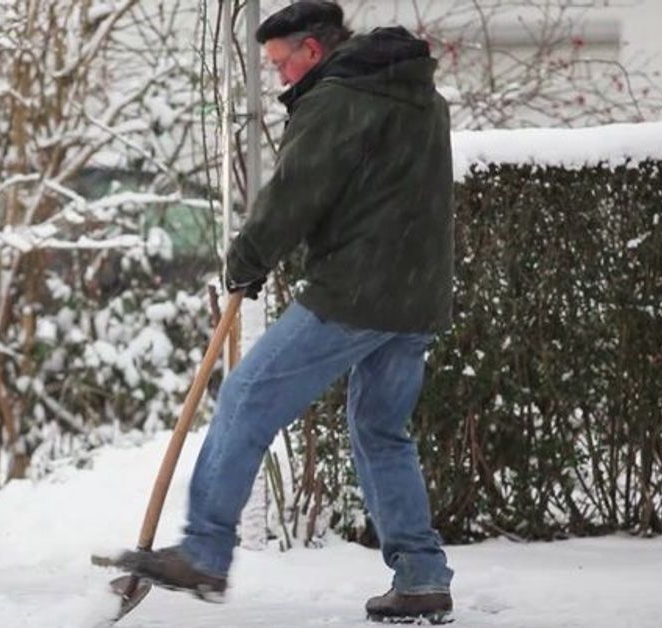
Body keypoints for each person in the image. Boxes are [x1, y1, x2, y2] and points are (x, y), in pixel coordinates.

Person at [115, 1, 456, 623]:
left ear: (312, 51)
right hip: (419, 294)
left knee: (247, 397)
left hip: (355, 291)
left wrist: (247, 259)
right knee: (381, 431)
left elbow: (295, 195)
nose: (278, 78)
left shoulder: (336, 100)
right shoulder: (419, 97)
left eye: (280, 64)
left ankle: (205, 552)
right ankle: (422, 577)